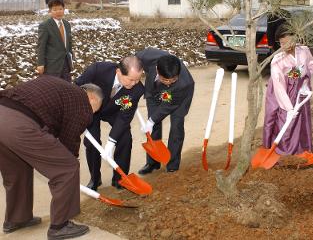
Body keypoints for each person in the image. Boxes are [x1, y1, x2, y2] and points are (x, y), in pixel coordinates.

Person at [0, 75, 103, 239]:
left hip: (3, 112)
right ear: (91, 96)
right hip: (20, 124)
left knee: (17, 170)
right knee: (67, 167)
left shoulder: (60, 88)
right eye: (94, 109)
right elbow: (69, 141)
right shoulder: (81, 100)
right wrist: (68, 162)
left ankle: (16, 219)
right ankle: (60, 226)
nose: (91, 114)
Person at [75, 56, 144, 191]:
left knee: (125, 138)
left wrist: (111, 141)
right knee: (92, 142)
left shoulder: (137, 90)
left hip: (114, 111)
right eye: (131, 79)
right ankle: (95, 179)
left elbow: (124, 117)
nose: (135, 83)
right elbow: (76, 87)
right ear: (118, 72)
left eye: (138, 79)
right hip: (92, 110)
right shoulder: (97, 70)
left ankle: (120, 178)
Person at [136, 48, 194, 174]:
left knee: (176, 126)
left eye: (172, 80)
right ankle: (152, 163)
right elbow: (130, 63)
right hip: (154, 92)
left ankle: (172, 164)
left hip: (179, 98)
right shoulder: (146, 57)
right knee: (153, 125)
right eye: (165, 80)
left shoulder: (183, 83)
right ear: (157, 70)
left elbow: (168, 105)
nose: (168, 84)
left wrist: (151, 120)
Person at [263, 26, 313, 155]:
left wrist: (305, 81)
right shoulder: (278, 59)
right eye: (282, 43)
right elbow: (279, 85)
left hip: (300, 89)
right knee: (284, 118)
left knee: (301, 118)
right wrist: (288, 107)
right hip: (282, 91)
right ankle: (283, 150)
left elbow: (311, 65)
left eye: (289, 42)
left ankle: (302, 147)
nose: (286, 46)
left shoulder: (304, 50)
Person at [37, 0, 73, 82]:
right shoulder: (45, 25)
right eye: (55, 9)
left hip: (66, 63)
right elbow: (41, 46)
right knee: (53, 88)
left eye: (60, 9)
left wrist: (71, 58)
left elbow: (69, 43)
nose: (58, 12)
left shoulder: (67, 24)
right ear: (50, 11)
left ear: (64, 10)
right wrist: (40, 64)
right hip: (52, 65)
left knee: (67, 87)